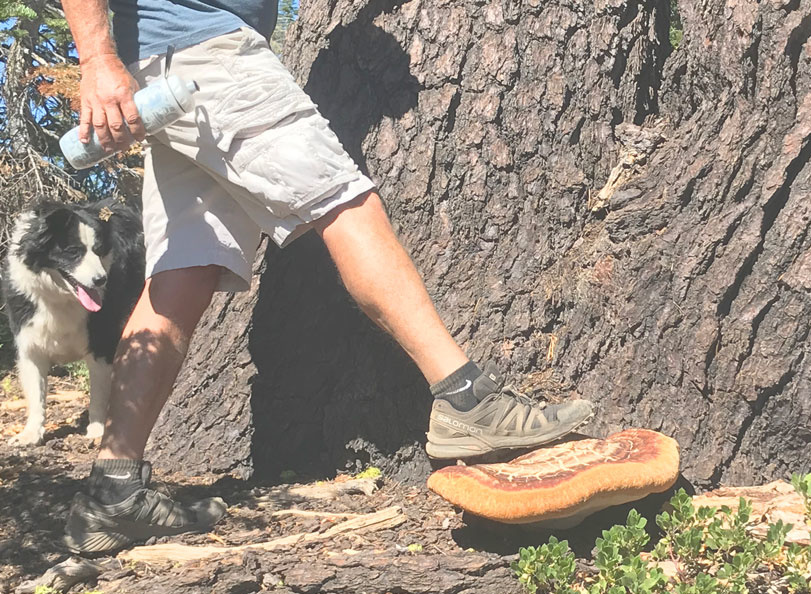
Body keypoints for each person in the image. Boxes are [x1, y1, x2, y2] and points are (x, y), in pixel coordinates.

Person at [59, 0, 594, 554]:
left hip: (168, 68)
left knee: (186, 269)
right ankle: (468, 401)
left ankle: (113, 489)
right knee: (343, 200)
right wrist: (96, 59)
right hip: (204, 55)